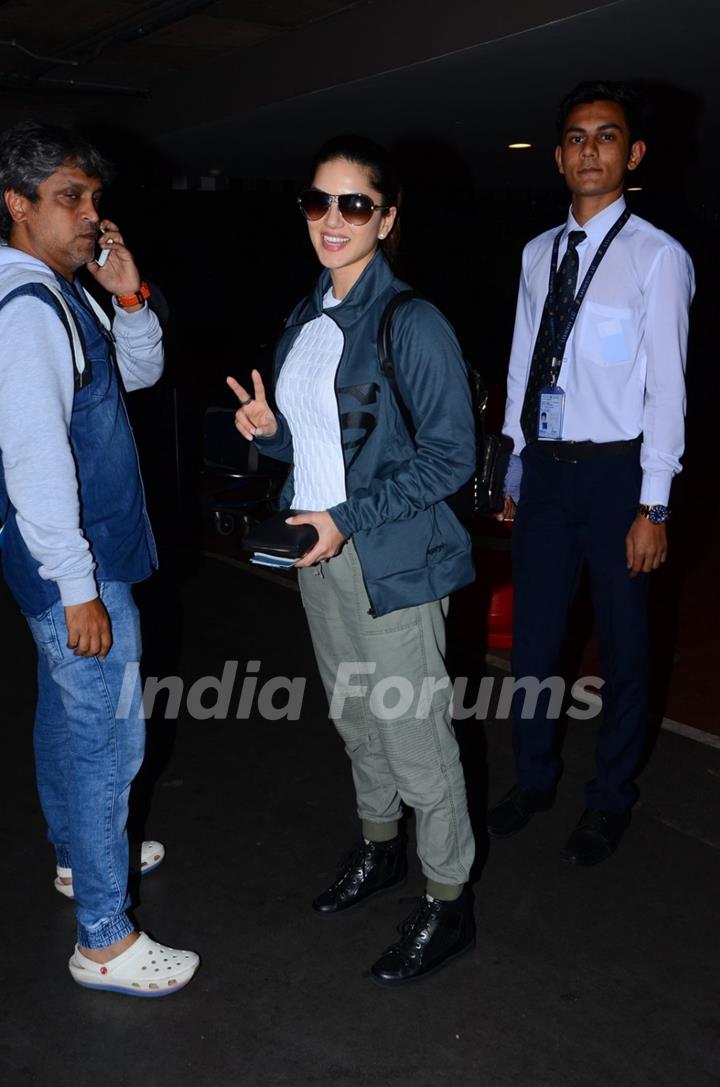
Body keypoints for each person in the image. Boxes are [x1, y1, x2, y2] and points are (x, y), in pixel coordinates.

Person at [228, 135, 476, 985]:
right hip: (321, 554)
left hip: (392, 563)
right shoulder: (306, 317)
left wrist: (345, 517)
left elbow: (451, 457)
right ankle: (381, 851)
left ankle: (448, 898)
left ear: (387, 218)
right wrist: (273, 435)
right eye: (318, 202)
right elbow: (328, 444)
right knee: (356, 717)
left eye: (354, 204)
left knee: (416, 735)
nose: (332, 219)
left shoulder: (413, 321)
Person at [0, 121, 199, 995]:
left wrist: (127, 295)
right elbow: (36, 458)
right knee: (106, 742)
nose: (91, 215)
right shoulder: (28, 309)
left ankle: (81, 861)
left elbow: (138, 377)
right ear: (18, 205)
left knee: (65, 720)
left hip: (84, 554)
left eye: (93, 199)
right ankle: (105, 940)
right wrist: (78, 588)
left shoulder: (63, 291)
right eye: (69, 198)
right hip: (76, 563)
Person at [488, 82, 695, 864]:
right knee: (535, 642)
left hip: (618, 480)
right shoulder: (537, 253)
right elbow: (521, 360)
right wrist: (510, 462)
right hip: (544, 475)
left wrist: (655, 503)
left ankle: (609, 796)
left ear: (632, 154)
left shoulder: (658, 258)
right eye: (576, 138)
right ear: (558, 154)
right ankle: (533, 777)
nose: (590, 151)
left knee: (624, 644)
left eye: (606, 137)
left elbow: (667, 388)